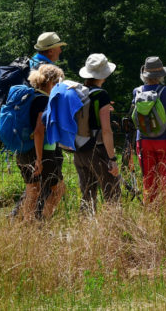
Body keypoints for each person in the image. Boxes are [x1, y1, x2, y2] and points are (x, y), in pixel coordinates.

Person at [16, 63, 66, 221]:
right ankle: (42, 223)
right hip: (42, 152)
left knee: (33, 190)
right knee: (58, 190)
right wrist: (39, 159)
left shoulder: (30, 97)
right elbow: (39, 130)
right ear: (51, 81)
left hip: (22, 150)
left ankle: (27, 226)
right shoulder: (43, 100)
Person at [133, 56, 166, 204]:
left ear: (145, 74)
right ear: (162, 75)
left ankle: (150, 213)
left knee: (148, 180)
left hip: (143, 140)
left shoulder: (137, 91)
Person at [73, 54, 120, 213]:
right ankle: (114, 231)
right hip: (98, 150)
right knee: (112, 193)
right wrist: (112, 158)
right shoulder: (101, 94)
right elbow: (106, 131)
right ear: (104, 75)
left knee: (87, 196)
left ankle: (86, 232)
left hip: (79, 151)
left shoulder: (78, 91)